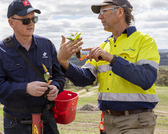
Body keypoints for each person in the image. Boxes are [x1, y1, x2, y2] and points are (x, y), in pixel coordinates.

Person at [57, 0, 160, 133]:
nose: (99, 17)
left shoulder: (144, 41)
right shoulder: (104, 46)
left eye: (102, 12)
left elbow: (147, 78)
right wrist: (64, 61)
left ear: (120, 12)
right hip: (107, 122)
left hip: (136, 122)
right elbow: (84, 79)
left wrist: (111, 58)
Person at [0, 0, 65, 134]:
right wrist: (26, 88)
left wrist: (56, 87)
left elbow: (59, 76)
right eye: (25, 20)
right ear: (11, 22)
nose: (31, 24)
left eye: (34, 19)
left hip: (46, 120)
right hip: (15, 123)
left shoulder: (46, 45)